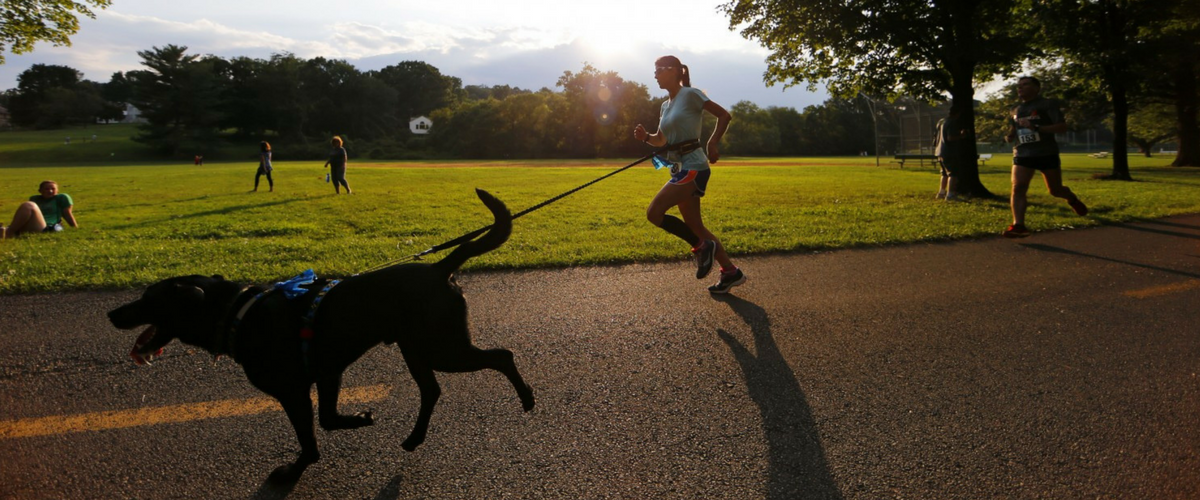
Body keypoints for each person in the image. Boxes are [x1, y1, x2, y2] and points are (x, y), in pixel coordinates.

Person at [632, 55, 743, 294]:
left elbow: (724, 115)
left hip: (694, 166)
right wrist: (647, 138)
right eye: (654, 70)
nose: (655, 75)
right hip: (680, 169)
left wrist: (713, 143)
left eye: (659, 70)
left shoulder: (691, 95)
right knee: (696, 227)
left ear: (674, 71)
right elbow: (661, 140)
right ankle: (730, 272)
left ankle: (702, 248)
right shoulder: (665, 105)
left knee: (654, 213)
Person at [1002, 76, 1088, 238]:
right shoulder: (1015, 109)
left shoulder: (1048, 104)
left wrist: (1037, 127)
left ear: (1036, 88)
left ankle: (1072, 199)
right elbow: (1015, 128)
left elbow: (1062, 127)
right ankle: (1018, 225)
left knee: (1055, 190)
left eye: (1025, 85)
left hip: (1046, 152)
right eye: (1019, 86)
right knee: (1018, 187)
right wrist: (1010, 135)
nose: (1020, 88)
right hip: (1023, 152)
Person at [1, 180, 77, 239]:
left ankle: (9, 232)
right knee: (28, 205)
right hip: (31, 225)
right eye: (47, 189)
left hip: (45, 227)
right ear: (40, 191)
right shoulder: (35, 198)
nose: (50, 191)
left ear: (57, 191)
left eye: (53, 189)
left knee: (28, 205)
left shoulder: (61, 197)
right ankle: (7, 230)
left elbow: (67, 214)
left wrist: (75, 228)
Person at [934, 103, 967, 200]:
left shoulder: (941, 122)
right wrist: (961, 135)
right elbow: (950, 137)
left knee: (944, 173)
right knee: (953, 173)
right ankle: (950, 194)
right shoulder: (953, 122)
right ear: (958, 113)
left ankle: (941, 192)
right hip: (949, 151)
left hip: (939, 150)